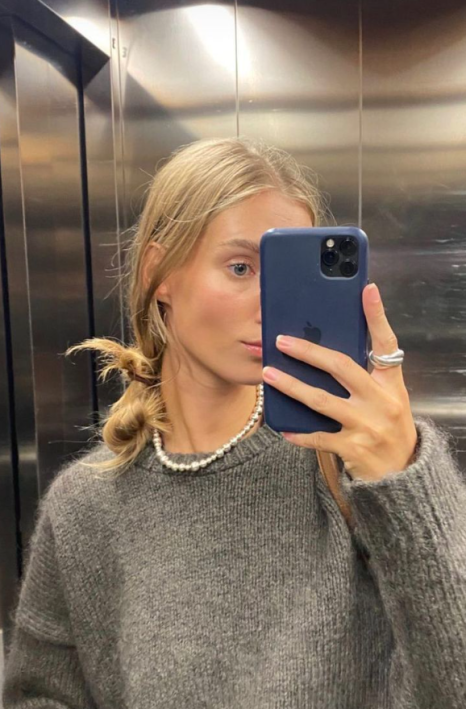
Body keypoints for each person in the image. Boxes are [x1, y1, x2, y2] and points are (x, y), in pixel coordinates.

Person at [3, 137, 465, 708]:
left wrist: (405, 480)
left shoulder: (355, 468)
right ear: (158, 272)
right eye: (241, 267)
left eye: (285, 277)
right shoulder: (86, 506)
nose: (269, 304)